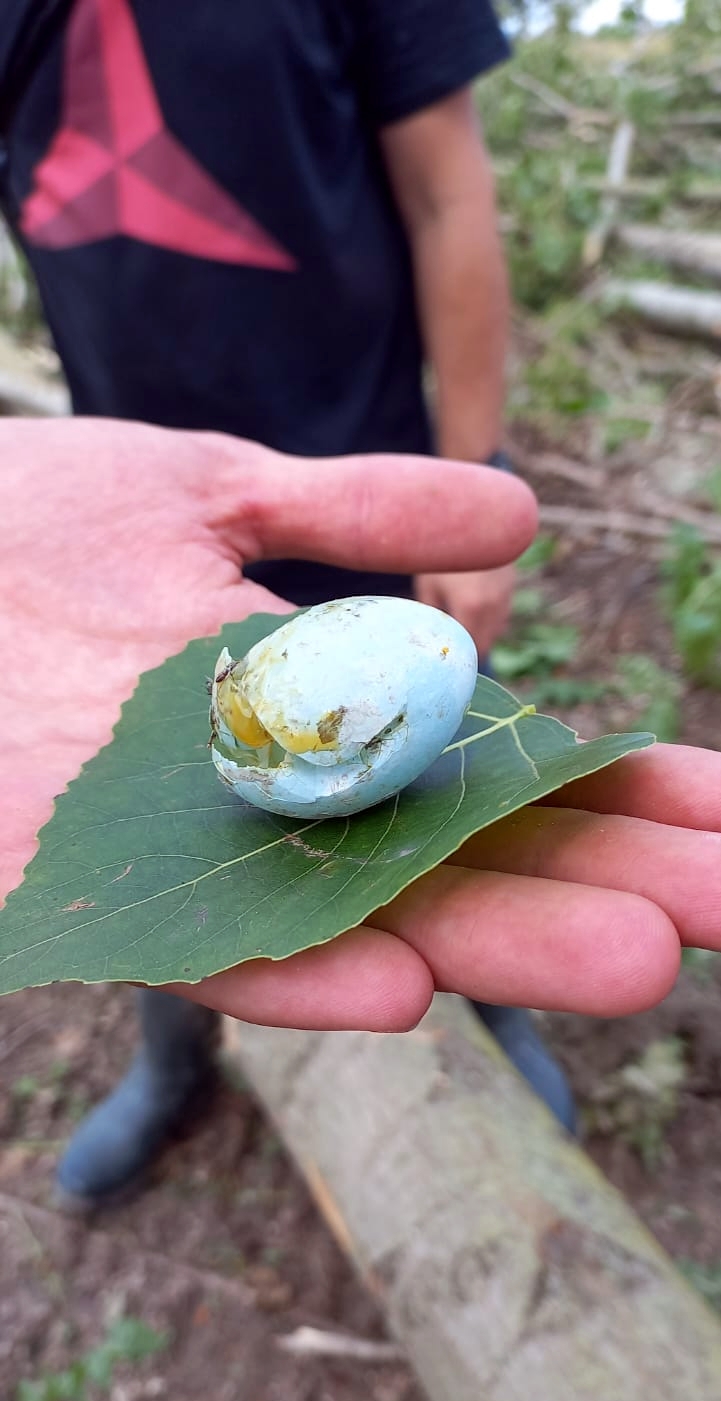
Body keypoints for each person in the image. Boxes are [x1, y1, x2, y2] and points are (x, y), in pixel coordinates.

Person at [0, 0, 627, 1192]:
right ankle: (175, 1053)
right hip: (128, 520)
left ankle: (492, 1008)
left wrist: (472, 475)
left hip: (361, 477)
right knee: (160, 808)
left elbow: (450, 190)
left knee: (437, 765)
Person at [3, 420, 721, 1046]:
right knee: (178, 955)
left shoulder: (417, 665)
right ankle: (171, 1057)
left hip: (360, 443)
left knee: (502, 895)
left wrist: (477, 448)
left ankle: (502, 1020)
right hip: (156, 496)